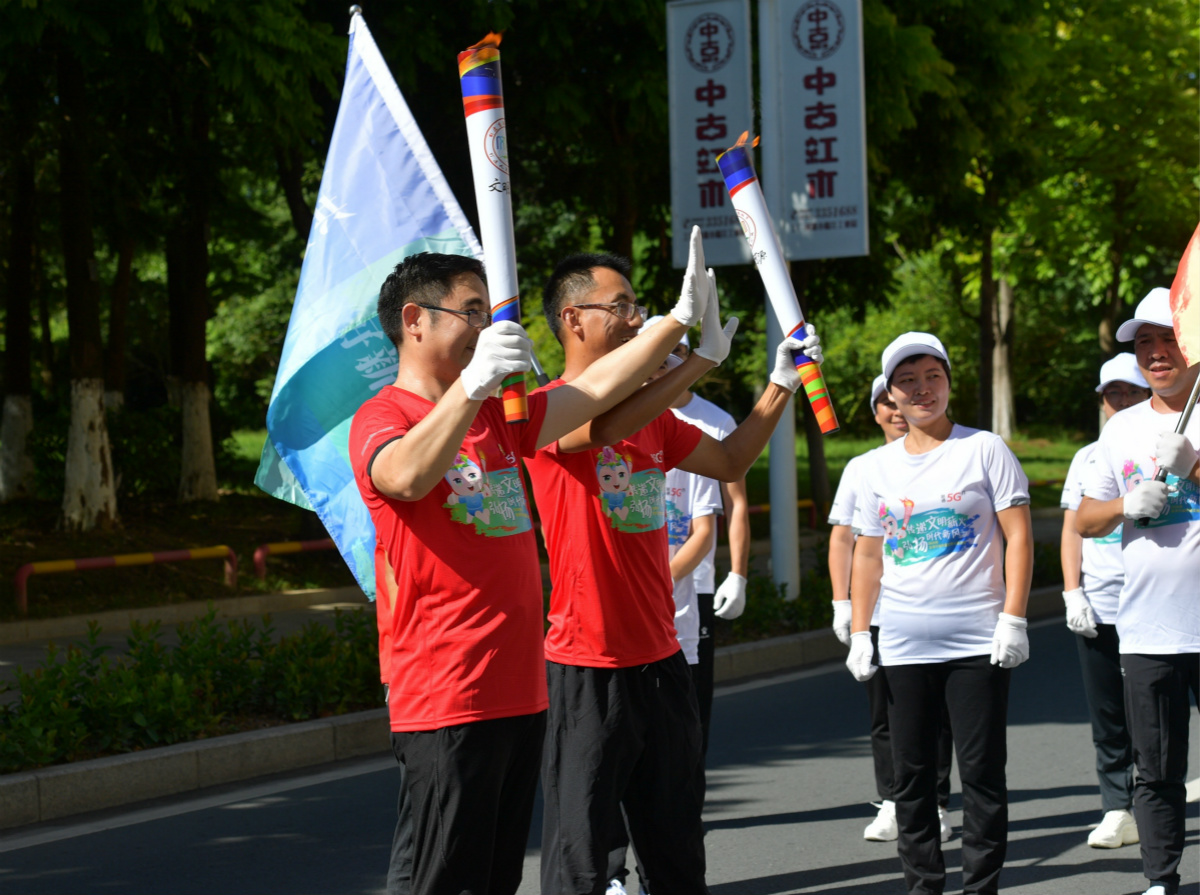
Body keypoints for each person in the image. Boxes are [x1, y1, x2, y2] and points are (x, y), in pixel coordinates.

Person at [349, 250, 710, 895]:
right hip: (448, 694)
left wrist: (677, 325)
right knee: (445, 882)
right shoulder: (384, 417)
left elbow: (595, 391)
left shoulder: (497, 418)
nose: (486, 328)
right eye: (471, 312)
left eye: (488, 314)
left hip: (520, 689)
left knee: (496, 881)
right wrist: (472, 386)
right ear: (414, 320)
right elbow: (404, 477)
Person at [526, 229, 823, 895]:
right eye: (622, 306)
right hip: (588, 664)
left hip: (663, 660)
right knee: (580, 858)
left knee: (677, 850)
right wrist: (691, 342)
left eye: (639, 307)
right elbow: (599, 423)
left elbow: (731, 460)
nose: (637, 318)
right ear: (573, 318)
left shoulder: (656, 420)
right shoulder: (543, 412)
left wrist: (780, 384)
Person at [846, 332, 1033, 895]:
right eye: (907, 380)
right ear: (890, 396)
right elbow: (868, 555)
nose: (922, 389)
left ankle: (980, 888)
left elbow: (1019, 537)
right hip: (904, 645)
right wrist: (860, 631)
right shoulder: (874, 467)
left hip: (978, 641)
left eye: (933, 376)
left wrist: (1014, 618)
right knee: (911, 778)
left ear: (949, 382)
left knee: (981, 775)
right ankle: (923, 885)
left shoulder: (984, 449)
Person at [1076, 287, 1200, 895]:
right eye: (1144, 341)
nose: (1155, 352)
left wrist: (1193, 466)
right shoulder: (1120, 428)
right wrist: (1124, 504)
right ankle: (1160, 880)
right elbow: (1085, 519)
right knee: (1155, 768)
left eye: (1166, 338)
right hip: (1149, 627)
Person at [828, 374, 954, 844]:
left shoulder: (947, 457)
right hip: (878, 612)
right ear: (876, 411)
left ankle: (935, 801)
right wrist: (843, 603)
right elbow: (843, 539)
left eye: (898, 401)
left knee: (937, 713)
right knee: (886, 714)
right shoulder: (863, 467)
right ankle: (892, 799)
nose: (896, 411)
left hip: (933, 608)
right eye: (885, 403)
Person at [1059, 352, 1151, 850]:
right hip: (1101, 604)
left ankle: (1155, 801)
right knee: (1109, 715)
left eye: (1131, 391)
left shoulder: (1167, 447)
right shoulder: (1087, 457)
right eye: (1113, 393)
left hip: (1155, 604)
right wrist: (1072, 591)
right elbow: (1073, 528)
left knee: (1155, 715)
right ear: (1101, 401)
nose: (1122, 400)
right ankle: (1118, 808)